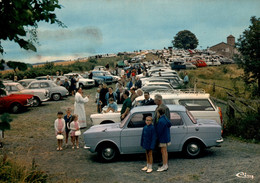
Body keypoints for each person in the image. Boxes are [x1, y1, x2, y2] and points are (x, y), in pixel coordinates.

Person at [156, 108, 172, 172]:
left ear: (159, 113)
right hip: (166, 137)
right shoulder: (165, 118)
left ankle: (164, 165)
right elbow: (169, 124)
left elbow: (159, 131)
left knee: (163, 152)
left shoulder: (160, 120)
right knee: (165, 151)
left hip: (162, 138)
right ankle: (165, 165)